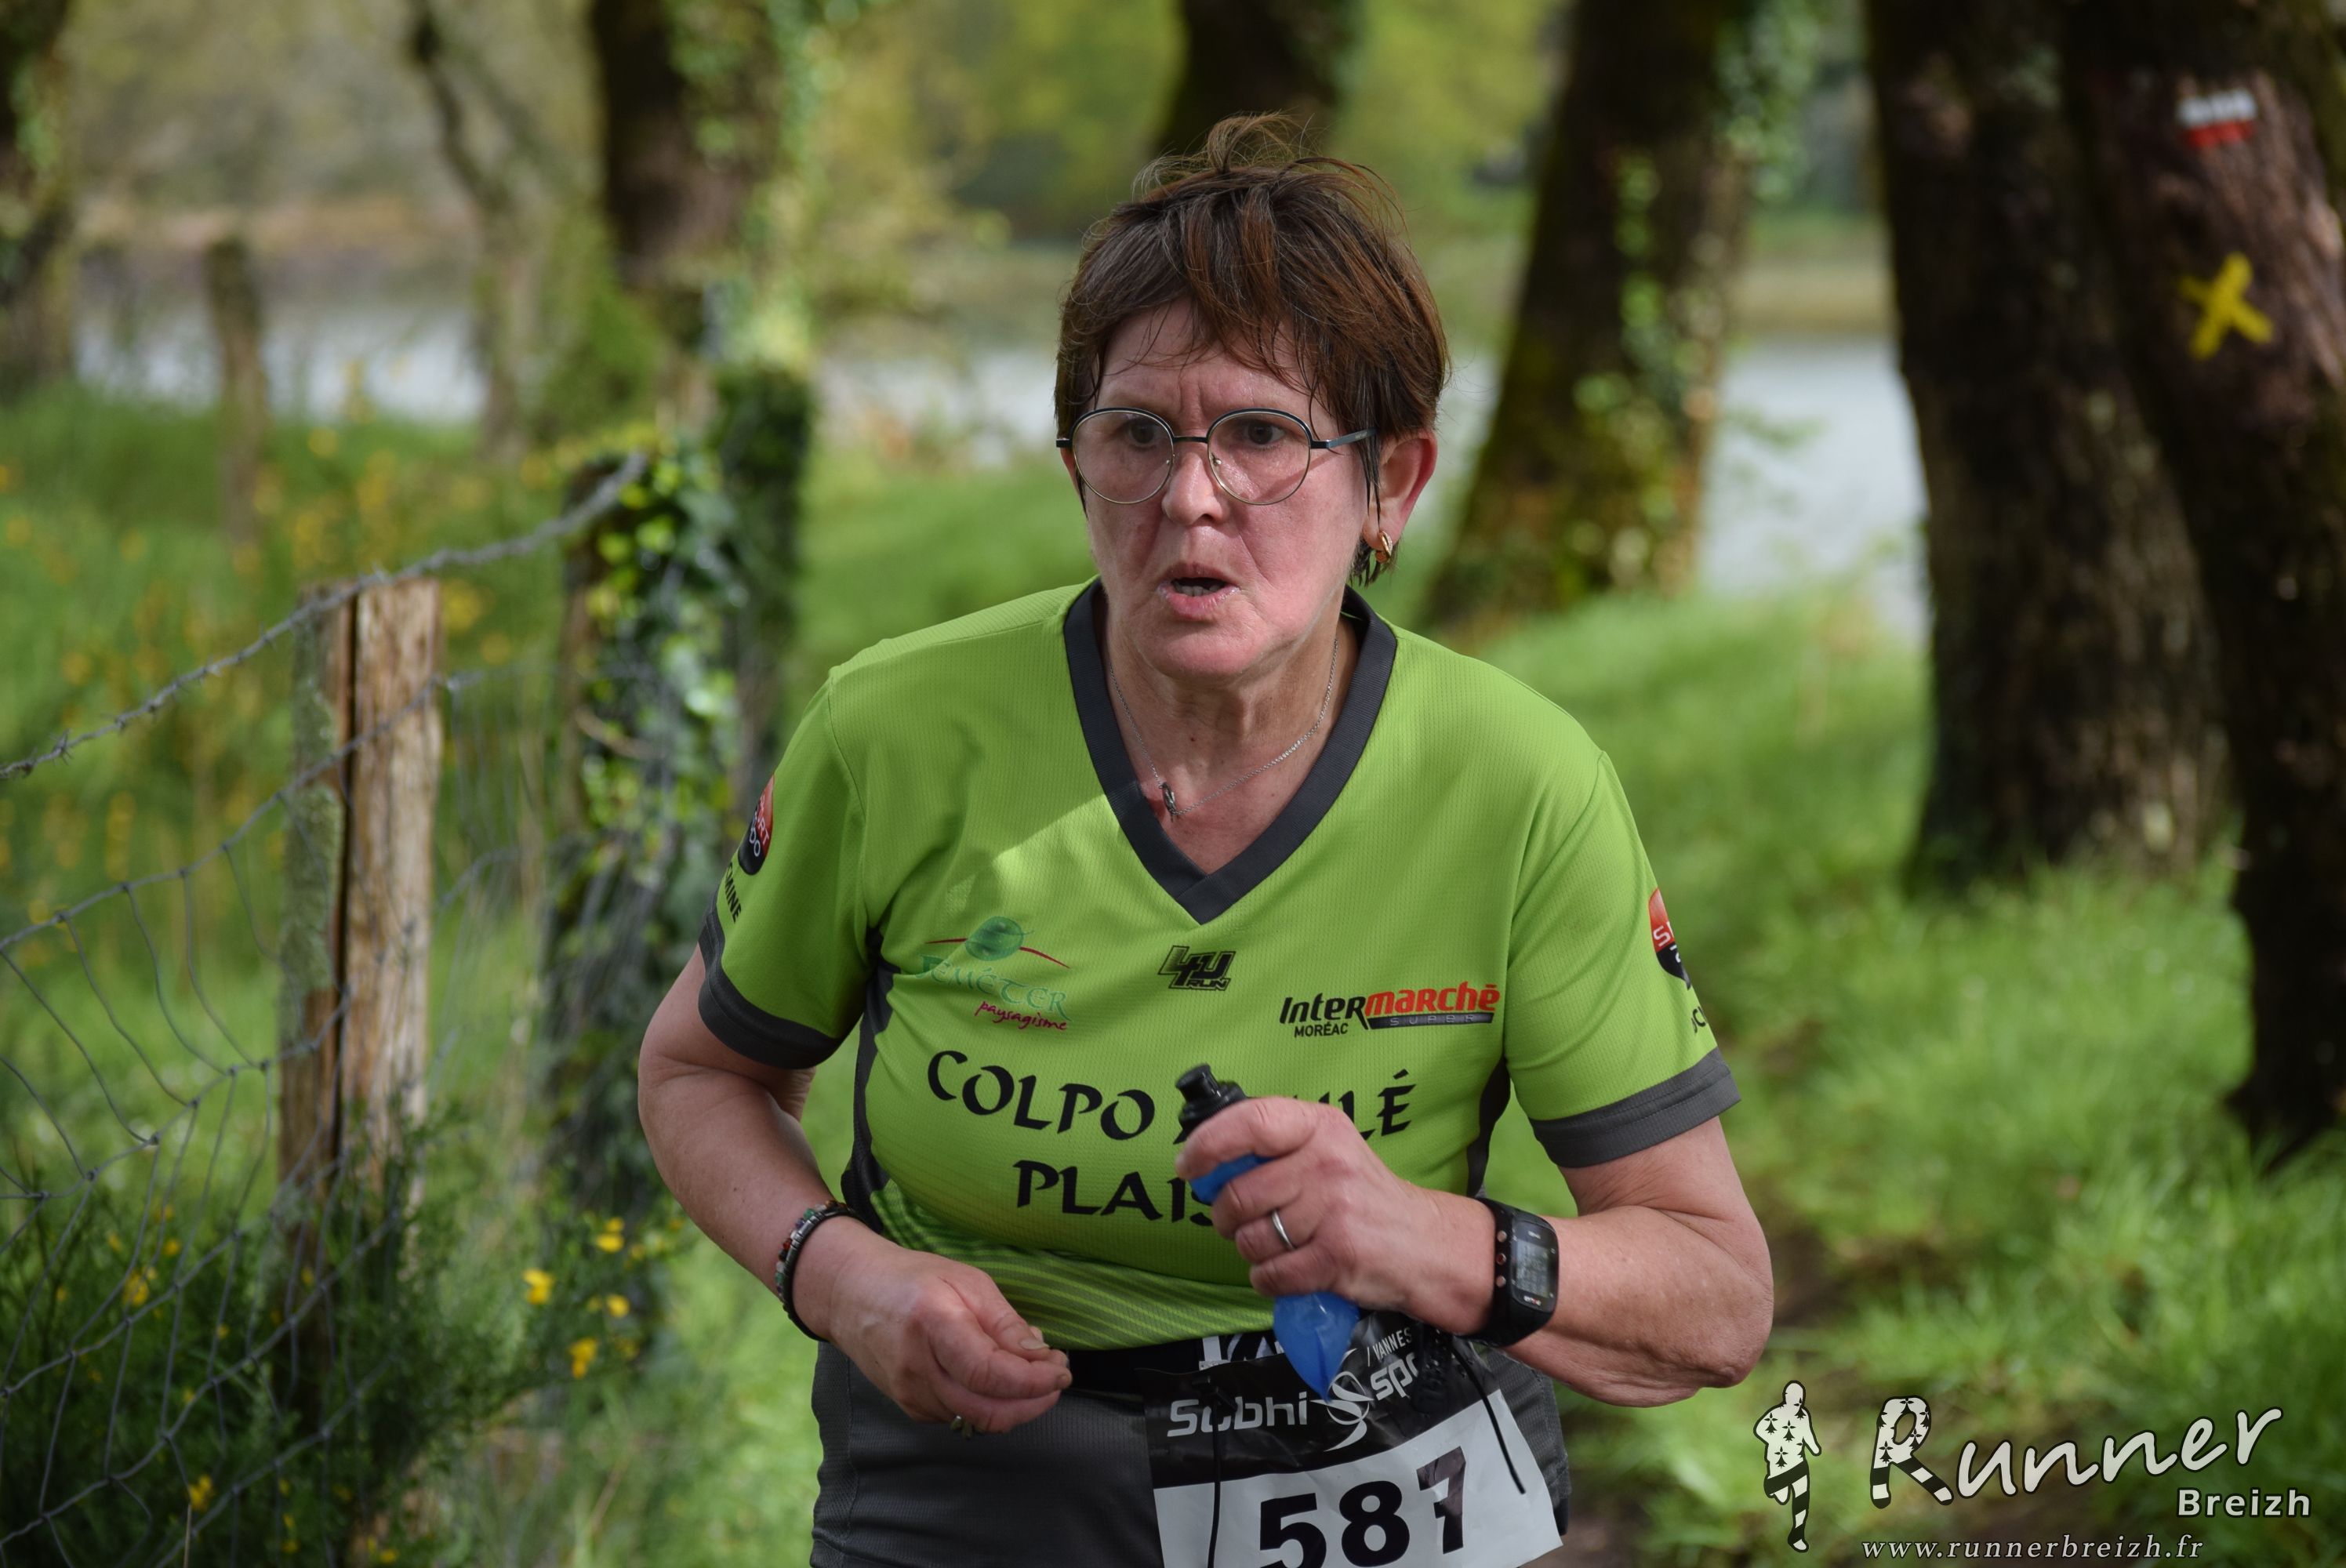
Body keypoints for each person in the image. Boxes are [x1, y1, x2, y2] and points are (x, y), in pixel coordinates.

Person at [637, 114, 1772, 1568]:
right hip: (984, 1474)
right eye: (1137, 435)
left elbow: (1716, 1299)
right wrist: (839, 1276)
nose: (1189, 497)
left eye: (1262, 436)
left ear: (1392, 484)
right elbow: (700, 1071)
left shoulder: (1518, 783)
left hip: (1385, 1465)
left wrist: (1425, 1241)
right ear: (1077, 467)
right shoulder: (895, 735)